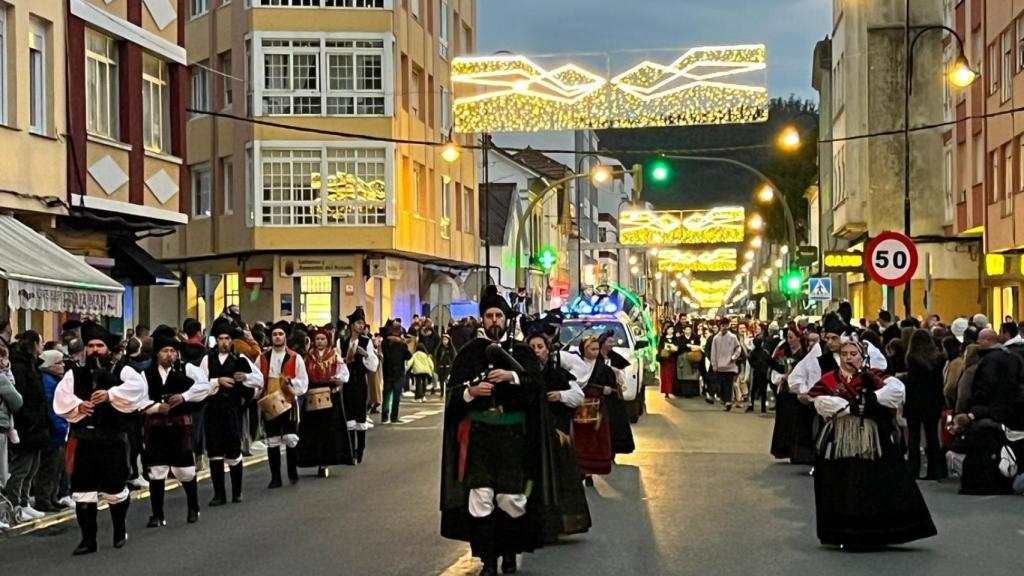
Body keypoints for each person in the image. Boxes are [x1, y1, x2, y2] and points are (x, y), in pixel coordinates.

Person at [439, 286, 546, 576]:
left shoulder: (521, 353)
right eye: (489, 316)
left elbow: (536, 388)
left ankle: (509, 553)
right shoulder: (469, 353)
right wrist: (471, 392)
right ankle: (488, 560)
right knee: (481, 496)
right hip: (480, 438)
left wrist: (513, 376)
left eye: (499, 315)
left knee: (510, 498)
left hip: (512, 438)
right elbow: (453, 394)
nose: (494, 320)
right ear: (482, 319)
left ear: (506, 319)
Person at [809, 335, 937, 548]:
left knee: (872, 482)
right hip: (839, 438)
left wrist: (874, 398)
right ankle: (841, 531)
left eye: (853, 354)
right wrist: (848, 407)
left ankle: (877, 530)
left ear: (862, 356)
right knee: (840, 483)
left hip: (873, 438)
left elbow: (896, 391)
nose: (848, 358)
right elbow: (819, 401)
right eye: (844, 354)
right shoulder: (830, 379)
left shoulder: (875, 376)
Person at [53, 322, 151, 555]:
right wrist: (79, 405)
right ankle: (88, 540)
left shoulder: (122, 371)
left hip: (112, 439)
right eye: (90, 346)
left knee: (114, 491)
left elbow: (138, 390)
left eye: (99, 345)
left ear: (107, 348)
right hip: (84, 440)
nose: (95, 350)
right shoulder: (74, 373)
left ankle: (119, 529)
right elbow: (61, 398)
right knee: (83, 492)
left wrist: (111, 394)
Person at [139, 327, 210, 527]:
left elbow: (204, 386)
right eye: (165, 351)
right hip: (156, 427)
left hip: (180, 426)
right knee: (156, 471)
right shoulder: (146, 374)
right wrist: (155, 407)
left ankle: (193, 507)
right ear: (157, 353)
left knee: (185, 471)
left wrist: (184, 396)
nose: (169, 355)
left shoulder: (186, 369)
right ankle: (157, 514)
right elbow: (138, 398)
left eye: (172, 351)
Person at [525, 329, 591, 541]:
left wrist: (560, 395)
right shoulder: (521, 375)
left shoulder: (557, 375)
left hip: (556, 438)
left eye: (540, 347)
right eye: (532, 347)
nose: (536, 351)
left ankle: (556, 526)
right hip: (531, 440)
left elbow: (578, 396)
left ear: (547, 350)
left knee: (559, 483)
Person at [200, 320, 261, 506]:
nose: (224, 342)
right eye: (221, 339)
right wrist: (217, 381)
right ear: (216, 340)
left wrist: (246, 377)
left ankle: (237, 491)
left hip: (232, 410)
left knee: (233, 450)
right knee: (215, 452)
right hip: (213, 410)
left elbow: (259, 379)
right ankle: (219, 494)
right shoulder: (207, 360)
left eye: (227, 339)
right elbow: (199, 385)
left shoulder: (239, 358)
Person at [297, 327, 353, 477]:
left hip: (330, 394)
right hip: (312, 394)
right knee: (313, 429)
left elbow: (344, 373)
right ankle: (313, 459)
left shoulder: (334, 356)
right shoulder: (308, 357)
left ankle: (327, 460)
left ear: (328, 341)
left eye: (323, 339)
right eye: (317, 339)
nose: (320, 342)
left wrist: (338, 380)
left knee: (330, 429)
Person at [259, 321, 308, 488]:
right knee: (272, 440)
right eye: (274, 334)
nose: (277, 337)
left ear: (285, 337)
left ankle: (292, 471)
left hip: (288, 401)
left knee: (290, 438)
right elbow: (257, 378)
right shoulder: (263, 357)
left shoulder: (295, 357)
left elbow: (303, 380)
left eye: (280, 334)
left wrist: (291, 383)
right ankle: (275, 477)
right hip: (270, 402)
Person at [5, 331, 48, 523]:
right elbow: (20, 398)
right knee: (21, 468)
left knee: (32, 468)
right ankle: (14, 504)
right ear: (35, 344)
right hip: (27, 427)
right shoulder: (20, 367)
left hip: (37, 426)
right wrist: (31, 422)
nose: (42, 346)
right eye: (41, 342)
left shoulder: (32, 365)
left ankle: (24, 502)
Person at [569, 337, 618, 482]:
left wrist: (607, 390)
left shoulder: (603, 368)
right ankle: (581, 469)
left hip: (597, 410)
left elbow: (613, 388)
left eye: (597, 349)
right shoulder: (574, 366)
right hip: (578, 408)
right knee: (579, 440)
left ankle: (590, 471)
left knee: (594, 440)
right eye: (592, 349)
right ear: (584, 349)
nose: (596, 352)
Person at [904, 329, 947, 480]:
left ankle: (913, 469)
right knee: (932, 437)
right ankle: (935, 470)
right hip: (933, 401)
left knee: (913, 437)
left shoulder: (912, 358)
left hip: (915, 402)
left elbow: (912, 383)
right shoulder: (938, 359)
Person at [338, 307, 379, 462]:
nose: (361, 326)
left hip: (360, 383)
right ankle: (350, 451)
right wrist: (344, 361)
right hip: (347, 384)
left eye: (363, 323)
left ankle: (360, 449)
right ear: (352, 325)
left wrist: (366, 354)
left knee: (360, 415)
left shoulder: (366, 342)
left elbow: (373, 365)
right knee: (349, 415)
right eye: (358, 323)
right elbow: (337, 363)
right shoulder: (342, 342)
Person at [33, 350, 71, 514]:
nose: (63, 365)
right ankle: (45, 499)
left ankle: (52, 497)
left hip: (58, 429)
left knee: (56, 467)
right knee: (49, 467)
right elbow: (52, 408)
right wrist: (61, 428)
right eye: (59, 363)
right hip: (54, 431)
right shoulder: (49, 382)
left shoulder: (54, 380)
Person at [769, 326, 807, 459]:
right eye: (788, 337)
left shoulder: (805, 354)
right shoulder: (782, 353)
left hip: (798, 393)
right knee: (784, 421)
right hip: (785, 392)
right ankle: (783, 449)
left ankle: (796, 451)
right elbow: (774, 373)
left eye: (792, 337)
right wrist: (783, 377)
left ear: (799, 338)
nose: (789, 340)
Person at [598, 331, 636, 455]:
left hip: (614, 396)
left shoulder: (613, 356)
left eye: (613, 342)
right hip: (601, 395)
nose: (612, 344)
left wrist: (618, 374)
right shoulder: (597, 358)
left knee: (616, 424)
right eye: (609, 342)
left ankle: (613, 452)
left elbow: (623, 369)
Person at [380, 322, 412, 423]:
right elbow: (408, 356)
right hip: (398, 372)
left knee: (386, 394)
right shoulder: (402, 344)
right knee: (396, 396)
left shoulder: (384, 342)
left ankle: (384, 416)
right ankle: (394, 417)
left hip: (387, 371)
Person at [709, 318, 742, 411]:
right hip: (719, 366)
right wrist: (714, 365)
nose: (724, 327)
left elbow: (738, 348)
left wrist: (734, 357)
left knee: (728, 385)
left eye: (726, 325)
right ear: (720, 326)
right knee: (721, 385)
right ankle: (725, 400)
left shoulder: (733, 337)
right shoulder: (716, 338)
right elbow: (713, 352)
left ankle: (728, 401)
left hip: (730, 365)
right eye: (723, 325)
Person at [675, 324, 702, 397]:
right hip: (683, 358)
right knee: (684, 375)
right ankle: (684, 392)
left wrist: (694, 347)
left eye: (689, 329)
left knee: (693, 375)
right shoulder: (680, 338)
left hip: (693, 358)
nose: (688, 331)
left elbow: (699, 346)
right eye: (686, 329)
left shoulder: (695, 337)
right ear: (684, 330)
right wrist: (686, 346)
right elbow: (678, 348)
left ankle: (692, 392)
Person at [657, 326, 679, 399]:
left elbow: (677, 347)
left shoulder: (675, 339)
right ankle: (665, 391)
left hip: (672, 359)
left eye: (672, 329)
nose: (670, 330)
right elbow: (659, 347)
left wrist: (673, 348)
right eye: (669, 329)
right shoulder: (663, 338)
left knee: (671, 376)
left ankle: (671, 390)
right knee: (664, 376)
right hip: (664, 359)